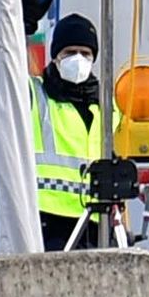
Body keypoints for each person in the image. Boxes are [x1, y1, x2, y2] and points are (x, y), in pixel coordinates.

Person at [31, 14, 116, 250]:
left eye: (85, 53)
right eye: (69, 53)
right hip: (48, 219)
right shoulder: (35, 95)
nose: (78, 59)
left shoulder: (106, 103)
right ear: (56, 57)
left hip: (97, 220)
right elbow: (2, 78)